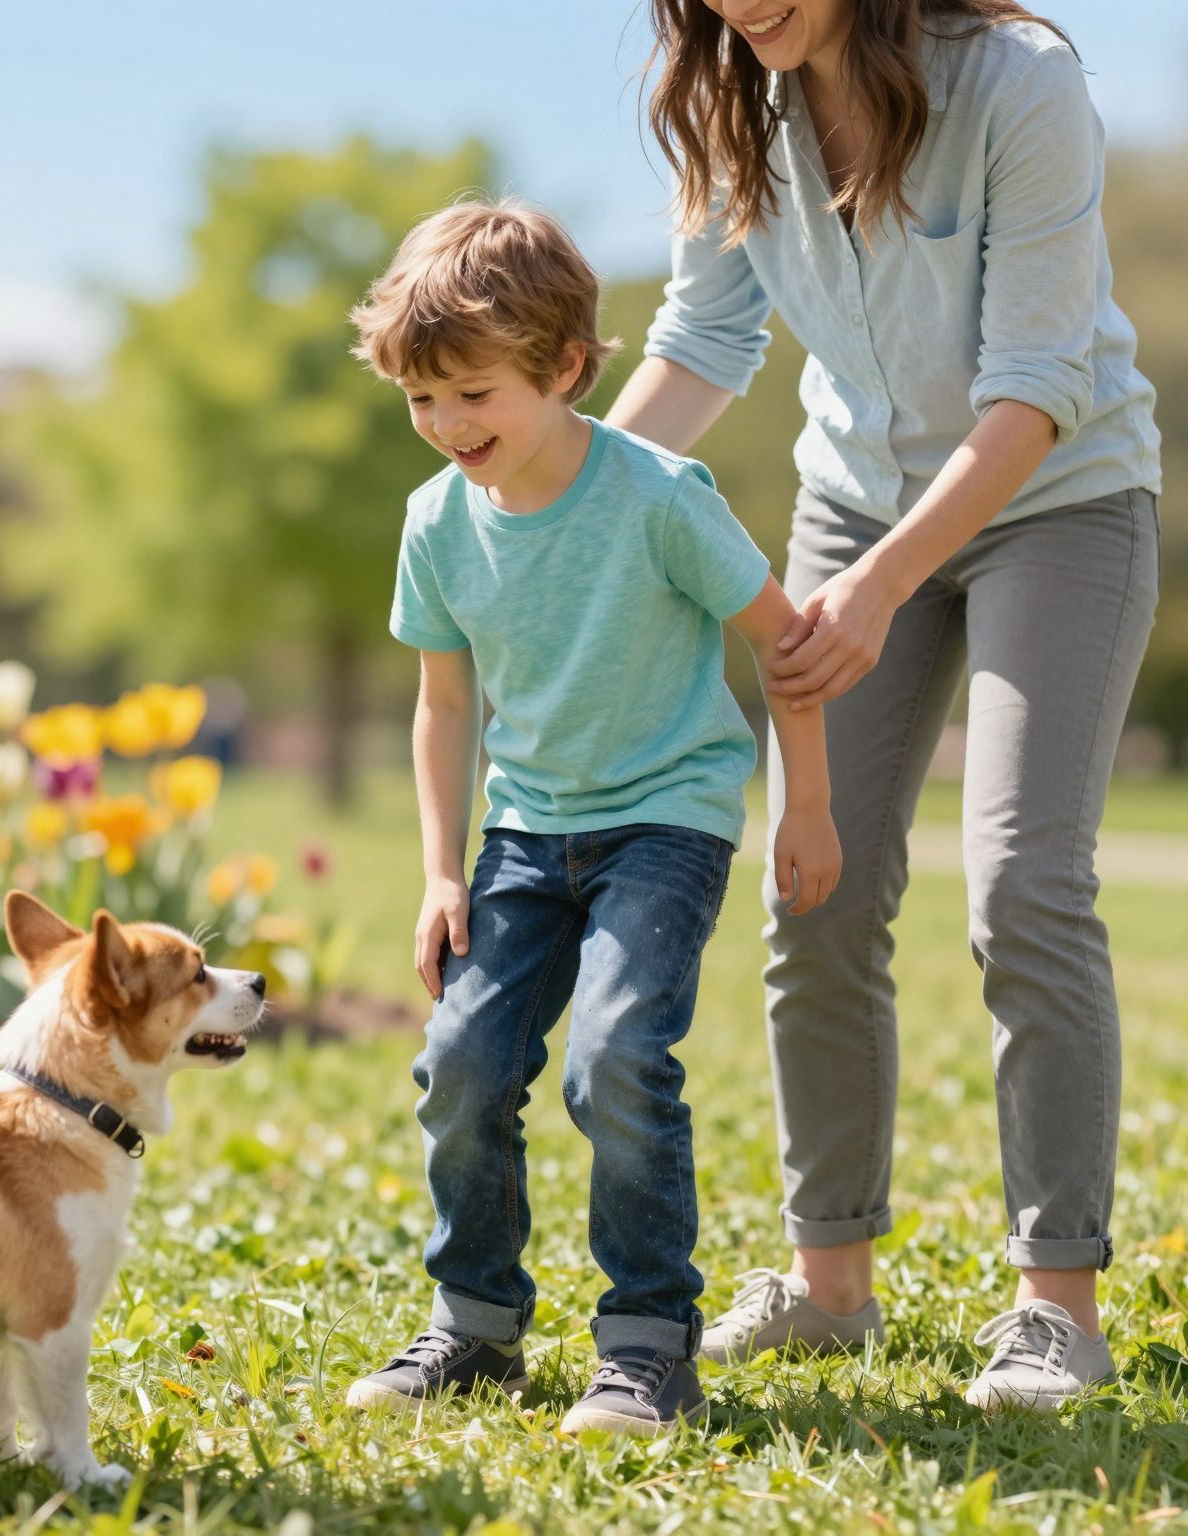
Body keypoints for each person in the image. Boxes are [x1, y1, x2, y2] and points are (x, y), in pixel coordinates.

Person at [605, 0, 1162, 1410]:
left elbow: (1036, 389)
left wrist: (881, 593)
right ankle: (829, 1284)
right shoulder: (734, 108)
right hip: (854, 508)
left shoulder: (1019, 83)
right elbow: (705, 338)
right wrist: (560, 497)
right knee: (818, 886)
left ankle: (1055, 1305)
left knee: (1027, 883)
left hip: (1063, 501)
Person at [340, 200, 841, 1435]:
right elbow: (442, 705)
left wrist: (806, 808)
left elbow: (784, 647)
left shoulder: (659, 496)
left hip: (664, 822)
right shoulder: (433, 522)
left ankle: (646, 1342)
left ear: (563, 369)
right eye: (422, 399)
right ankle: (474, 1324)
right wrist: (438, 872)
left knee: (615, 1057)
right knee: (460, 1065)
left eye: (472, 394)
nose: (447, 427)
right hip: (522, 834)